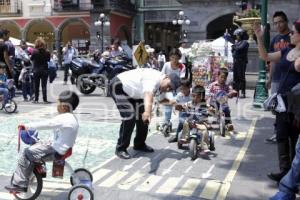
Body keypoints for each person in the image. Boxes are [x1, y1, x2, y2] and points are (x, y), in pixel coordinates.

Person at [254, 19, 300, 190]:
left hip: (297, 104)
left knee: (296, 139)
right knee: (281, 135)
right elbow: (265, 56)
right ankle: (285, 171)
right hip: (282, 101)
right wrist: (259, 37)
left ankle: (295, 177)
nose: (290, 34)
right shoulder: (287, 49)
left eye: (293, 32)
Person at [4, 90, 79, 192]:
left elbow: (47, 124)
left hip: (55, 150)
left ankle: (20, 184)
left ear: (64, 106)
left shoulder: (64, 118)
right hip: (61, 148)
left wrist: (27, 126)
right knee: (36, 145)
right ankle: (36, 171)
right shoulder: (72, 118)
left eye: (58, 103)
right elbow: (58, 135)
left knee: (26, 153)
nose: (56, 105)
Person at [110, 68, 181, 159]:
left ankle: (139, 144)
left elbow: (161, 100)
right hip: (119, 86)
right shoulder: (154, 78)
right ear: (166, 77)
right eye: (168, 85)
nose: (167, 89)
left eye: (170, 89)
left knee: (144, 119)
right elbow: (148, 94)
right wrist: (147, 111)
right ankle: (120, 148)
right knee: (130, 116)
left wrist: (175, 104)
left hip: (135, 93)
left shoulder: (162, 86)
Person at [265, 11, 291, 144]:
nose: (278, 25)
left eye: (280, 22)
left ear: (286, 21)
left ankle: (289, 132)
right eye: (275, 23)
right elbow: (272, 61)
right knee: (277, 107)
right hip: (276, 79)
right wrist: (269, 78)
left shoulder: (293, 37)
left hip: (290, 79)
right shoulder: (274, 40)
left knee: (290, 106)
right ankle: (278, 132)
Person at [179, 85, 211, 155]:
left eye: (198, 97)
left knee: (205, 130)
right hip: (191, 122)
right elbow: (183, 106)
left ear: (202, 97)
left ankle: (204, 146)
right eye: (193, 96)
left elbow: (210, 110)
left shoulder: (205, 105)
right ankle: (185, 137)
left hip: (200, 123)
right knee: (185, 122)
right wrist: (181, 107)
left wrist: (211, 110)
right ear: (191, 95)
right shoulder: (189, 103)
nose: (195, 98)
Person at [161, 48, 186, 132]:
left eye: (176, 58)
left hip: (178, 89)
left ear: (179, 58)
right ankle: (167, 122)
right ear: (170, 57)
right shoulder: (166, 65)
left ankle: (182, 123)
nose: (174, 60)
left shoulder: (182, 66)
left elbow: (182, 79)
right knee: (168, 106)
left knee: (180, 106)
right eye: (172, 58)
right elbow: (162, 76)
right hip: (168, 89)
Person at [31, 37, 50, 104]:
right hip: (44, 70)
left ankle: (36, 99)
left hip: (36, 70)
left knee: (36, 86)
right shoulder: (47, 51)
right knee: (44, 85)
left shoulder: (34, 51)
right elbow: (48, 60)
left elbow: (31, 59)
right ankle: (45, 100)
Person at [231, 28, 249, 98]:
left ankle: (243, 92)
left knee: (241, 77)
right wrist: (235, 47)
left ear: (240, 35)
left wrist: (234, 46)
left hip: (241, 61)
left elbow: (239, 48)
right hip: (235, 61)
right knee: (235, 77)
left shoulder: (245, 42)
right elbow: (233, 50)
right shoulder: (237, 43)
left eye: (237, 35)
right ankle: (236, 91)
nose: (236, 37)